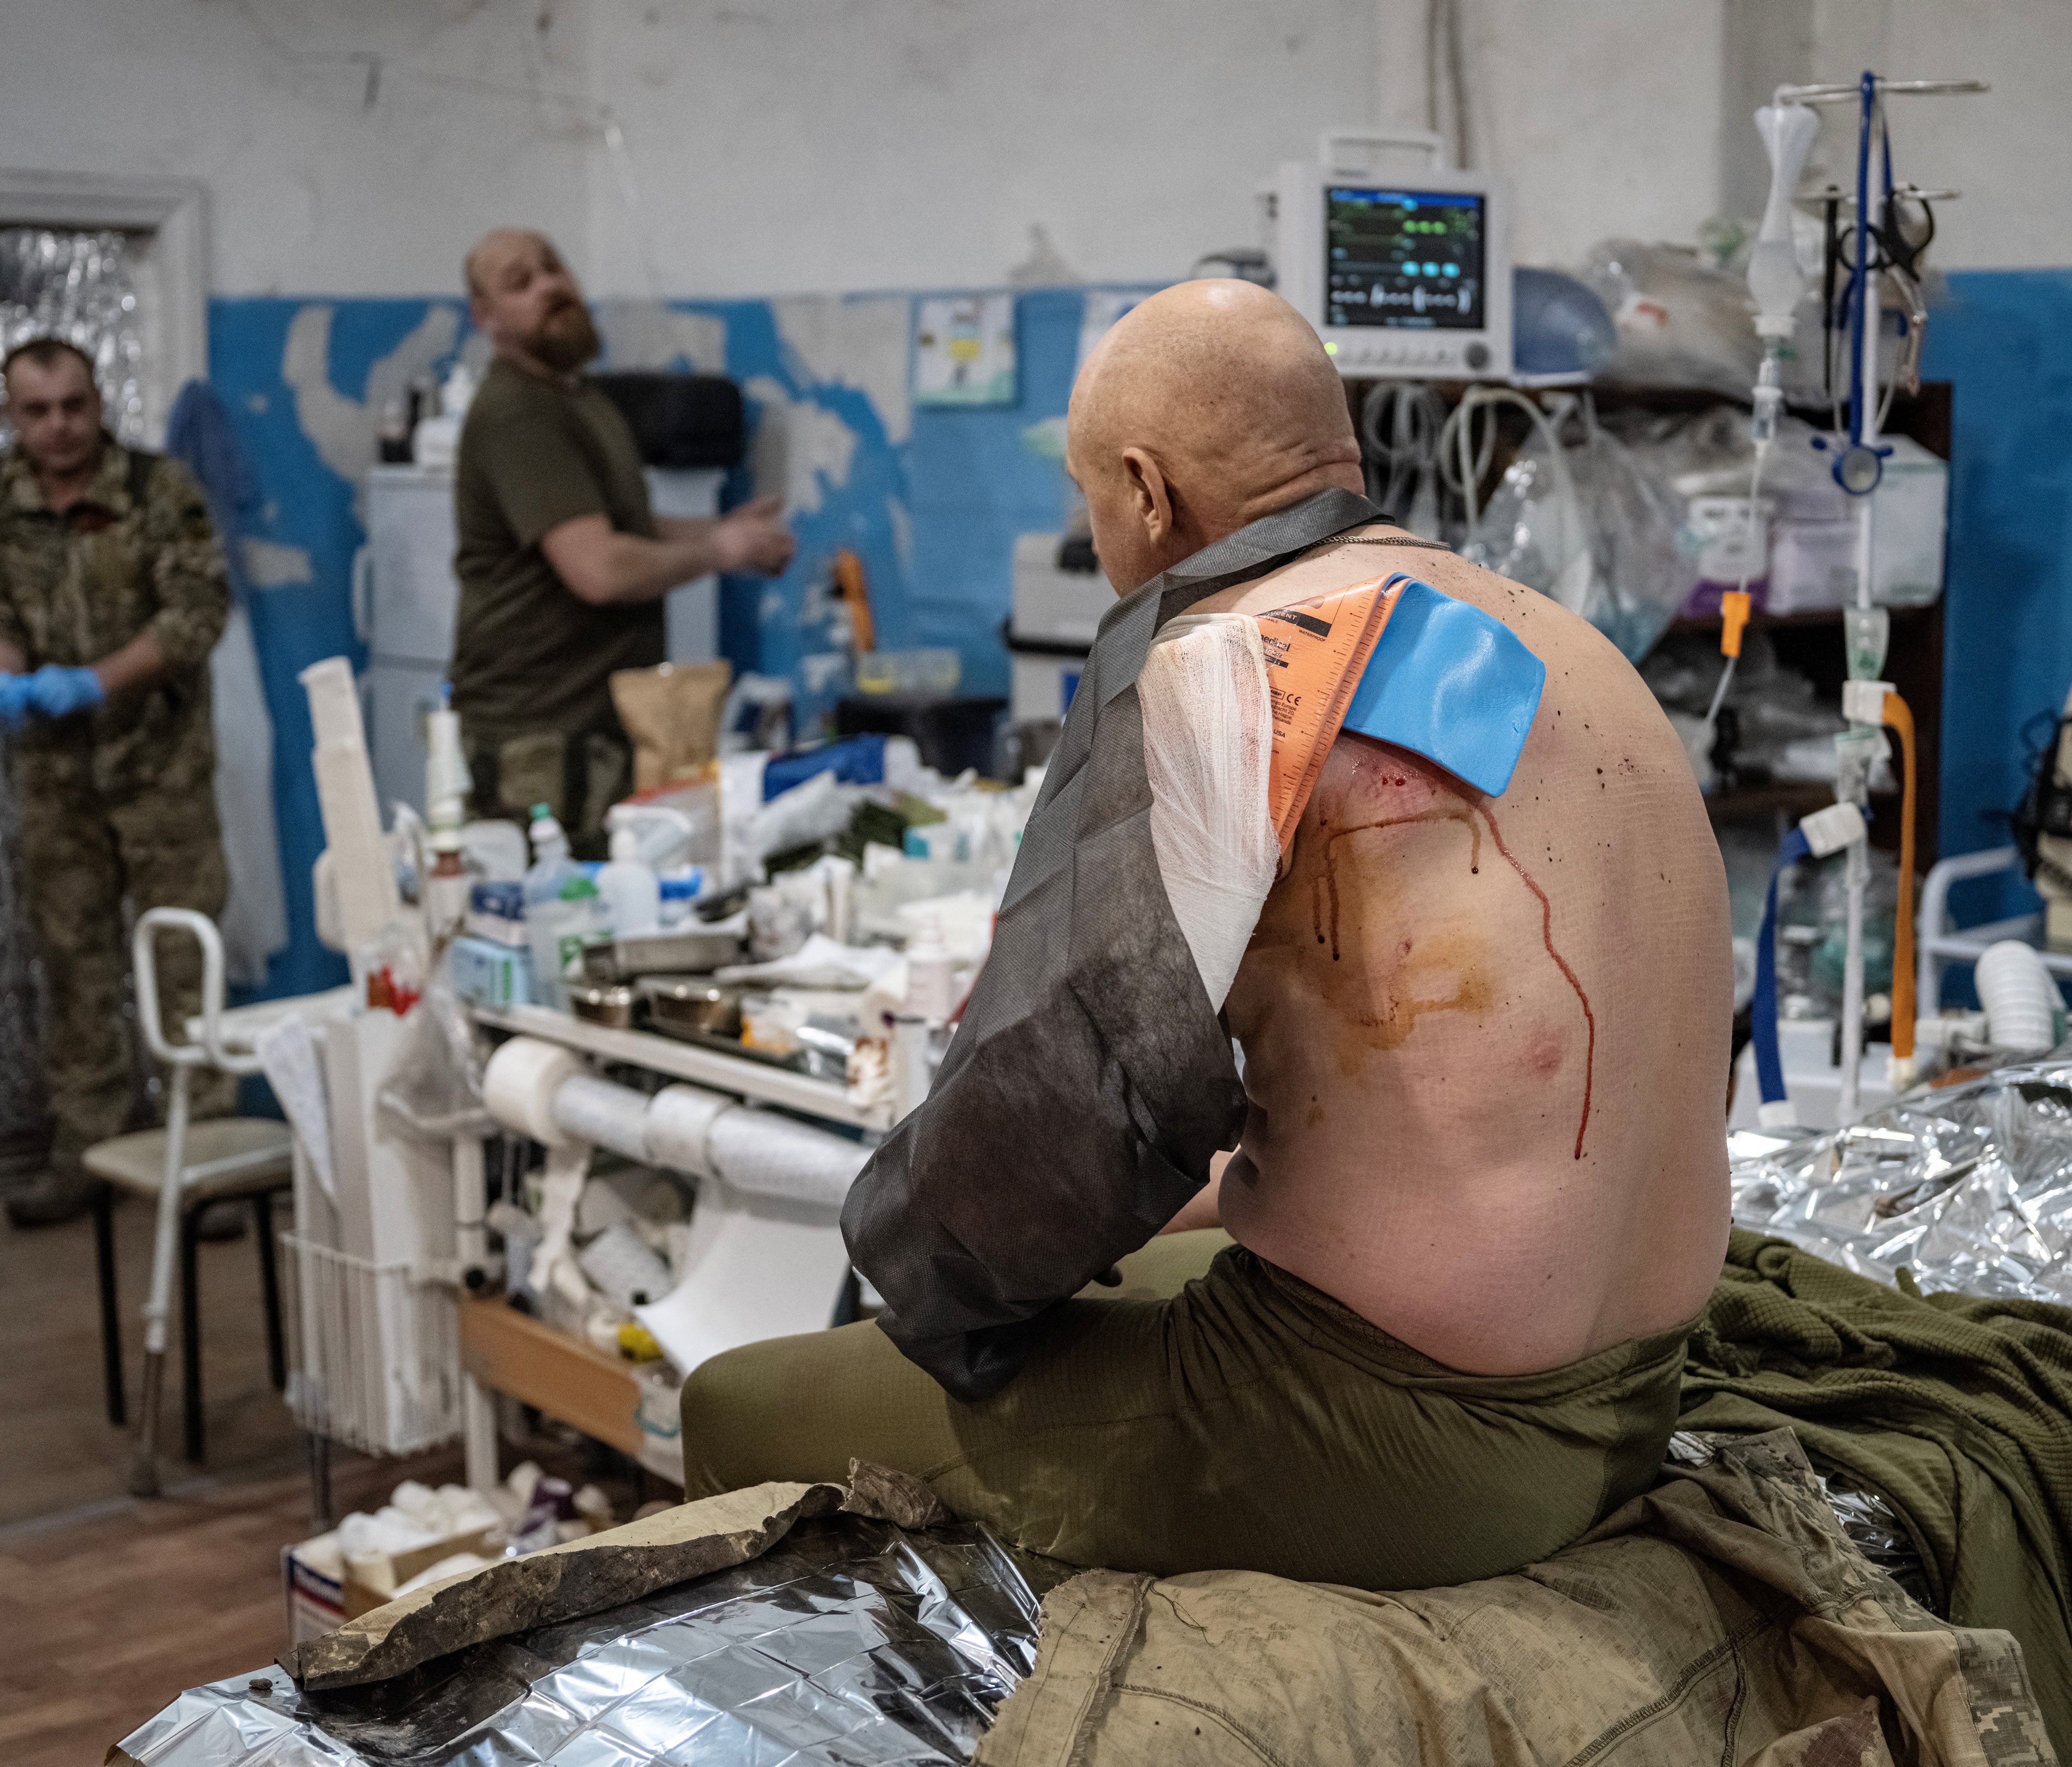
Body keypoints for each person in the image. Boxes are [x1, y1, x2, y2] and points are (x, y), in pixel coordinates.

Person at [679, 282, 1732, 1590]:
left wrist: (904, 1251)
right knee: (1177, 1231)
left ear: (1144, 491)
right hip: (1636, 1388)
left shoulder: (1233, 663)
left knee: (737, 1402)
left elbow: (1049, 1137)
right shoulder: (1564, 643)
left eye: (1090, 501)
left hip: (1423, 1441)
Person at [0, 337, 237, 1228]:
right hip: (57, 774)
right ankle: (87, 1150)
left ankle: (210, 1153)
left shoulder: (160, 491)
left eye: (74, 405)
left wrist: (94, 681)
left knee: (183, 956)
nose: (60, 426)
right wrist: (0, 675)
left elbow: (196, 615)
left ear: (98, 401)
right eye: (37, 411)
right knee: (75, 959)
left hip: (158, 765)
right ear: (12, 416)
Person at [451, 228, 794, 853]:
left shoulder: (579, 398)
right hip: (541, 741)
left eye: (553, 267)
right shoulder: (517, 414)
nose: (551, 286)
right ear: (485, 317)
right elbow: (599, 568)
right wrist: (717, 553)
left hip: (600, 729)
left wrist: (730, 535)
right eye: (520, 283)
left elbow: (619, 523)